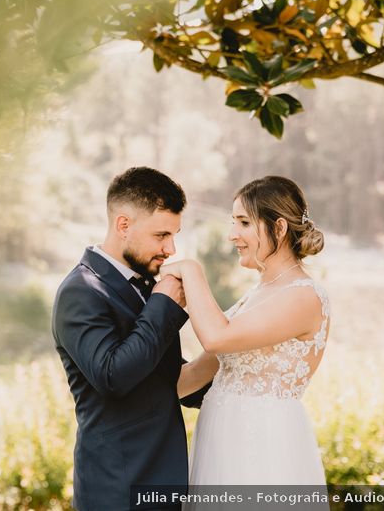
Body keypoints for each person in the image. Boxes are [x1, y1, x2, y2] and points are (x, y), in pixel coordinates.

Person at [52, 167, 218, 511]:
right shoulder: (81, 291)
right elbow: (114, 376)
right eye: (161, 235)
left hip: (164, 486)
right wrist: (164, 304)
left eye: (174, 235)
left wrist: (228, 352)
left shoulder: (145, 285)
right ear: (123, 225)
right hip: (117, 490)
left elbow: (163, 381)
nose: (170, 248)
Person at [159, 176, 330, 499]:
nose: (232, 235)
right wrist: (122, 398)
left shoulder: (305, 296)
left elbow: (215, 338)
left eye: (244, 222)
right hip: (219, 442)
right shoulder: (257, 293)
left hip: (263, 448)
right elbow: (198, 371)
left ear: (279, 228)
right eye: (232, 222)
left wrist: (191, 271)